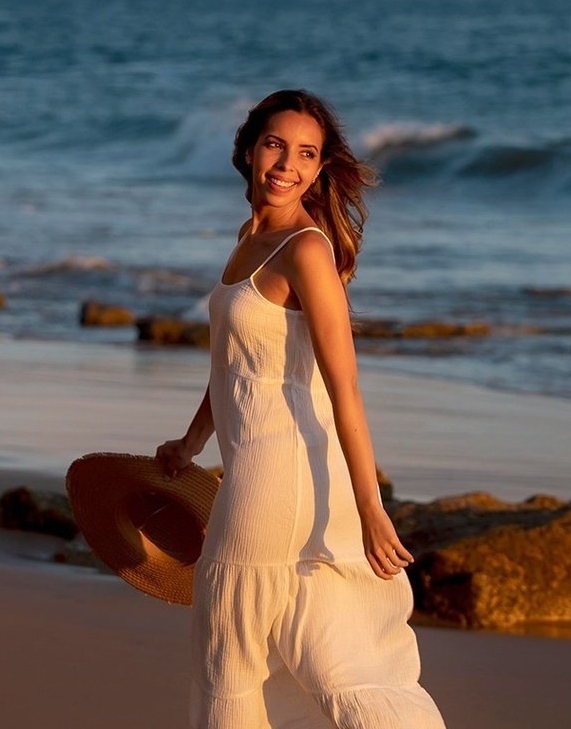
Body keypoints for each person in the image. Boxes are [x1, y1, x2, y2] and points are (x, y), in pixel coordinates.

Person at [155, 89, 445, 729]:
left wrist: (371, 508)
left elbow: (345, 390)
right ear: (249, 149)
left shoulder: (306, 251)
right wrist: (190, 442)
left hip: (278, 477)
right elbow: (235, 365)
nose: (287, 164)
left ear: (318, 170)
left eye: (306, 153)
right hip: (258, 470)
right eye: (275, 145)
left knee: (231, 647)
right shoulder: (250, 236)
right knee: (268, 648)